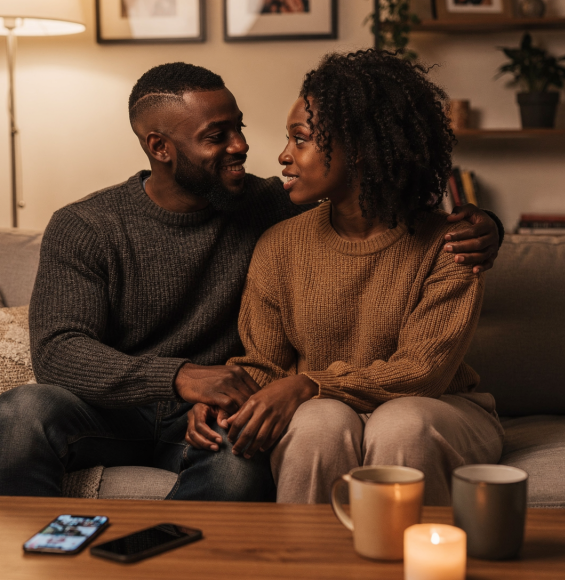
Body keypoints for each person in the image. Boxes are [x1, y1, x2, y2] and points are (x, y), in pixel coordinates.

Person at [0, 61, 503, 501]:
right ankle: (17, 564)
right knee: (20, 411)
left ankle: (173, 559)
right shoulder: (87, 226)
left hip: (223, 405)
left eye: (240, 127)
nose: (244, 146)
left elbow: (375, 187)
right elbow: (58, 351)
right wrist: (181, 377)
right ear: (160, 147)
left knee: (241, 458)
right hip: (113, 409)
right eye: (217, 136)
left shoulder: (270, 205)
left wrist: (487, 226)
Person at [185, 50, 504, 505]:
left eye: (301, 139)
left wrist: (311, 383)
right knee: (317, 423)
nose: (283, 155)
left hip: (439, 410)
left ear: (358, 150)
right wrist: (225, 398)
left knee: (400, 424)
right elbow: (265, 362)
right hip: (328, 409)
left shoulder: (452, 243)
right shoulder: (280, 243)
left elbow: (423, 373)